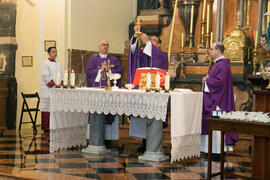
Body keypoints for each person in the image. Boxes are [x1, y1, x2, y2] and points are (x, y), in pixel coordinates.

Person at [127, 25, 168, 152]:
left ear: (160, 44)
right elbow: (133, 52)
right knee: (143, 116)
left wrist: (146, 42)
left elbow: (157, 59)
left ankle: (153, 144)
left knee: (153, 117)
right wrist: (135, 36)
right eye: (151, 40)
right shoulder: (143, 55)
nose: (151, 42)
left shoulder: (162, 55)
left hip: (156, 93)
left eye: (154, 41)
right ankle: (144, 142)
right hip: (142, 92)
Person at [201, 42, 238, 156]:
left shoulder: (222, 65)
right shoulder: (217, 64)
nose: (209, 51)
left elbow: (220, 83)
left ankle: (216, 151)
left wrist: (207, 81)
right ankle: (210, 150)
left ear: (218, 51)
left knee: (216, 123)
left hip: (218, 102)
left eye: (211, 49)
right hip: (214, 98)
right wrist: (207, 80)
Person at [86, 40, 123, 143]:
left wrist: (109, 70)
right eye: (103, 45)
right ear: (99, 47)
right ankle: (95, 138)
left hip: (109, 93)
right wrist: (100, 71)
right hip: (97, 93)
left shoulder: (113, 60)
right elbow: (88, 73)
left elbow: (120, 71)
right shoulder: (93, 60)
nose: (105, 46)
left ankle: (109, 139)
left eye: (107, 45)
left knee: (109, 113)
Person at [40, 47, 63, 132]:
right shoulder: (45, 64)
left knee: (54, 109)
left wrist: (61, 83)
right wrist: (54, 83)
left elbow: (61, 76)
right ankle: (46, 127)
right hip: (47, 90)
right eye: (53, 52)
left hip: (56, 91)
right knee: (47, 109)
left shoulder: (59, 64)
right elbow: (46, 76)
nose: (55, 53)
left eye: (56, 52)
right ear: (49, 53)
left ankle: (54, 126)